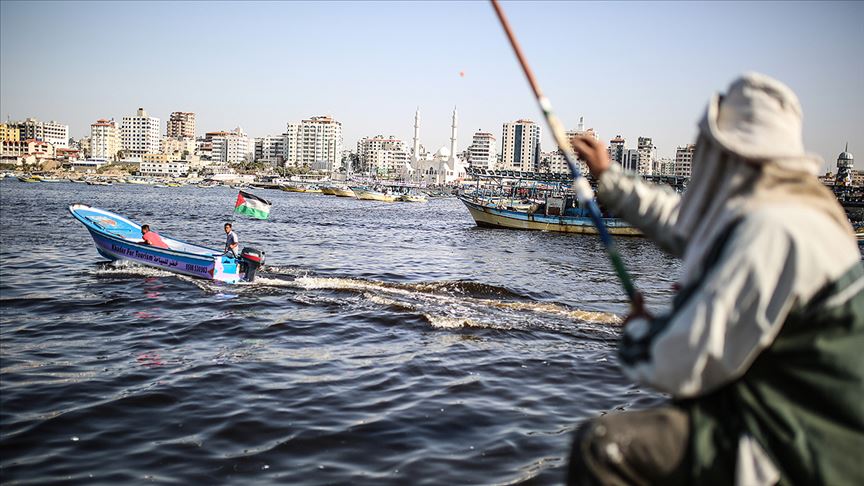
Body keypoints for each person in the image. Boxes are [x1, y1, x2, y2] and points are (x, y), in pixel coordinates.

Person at [567, 73, 863, 485]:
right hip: (783, 415)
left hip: (797, 449)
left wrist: (638, 330)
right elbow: (684, 223)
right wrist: (608, 175)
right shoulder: (790, 209)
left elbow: (680, 360)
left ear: (732, 154)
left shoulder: (773, 230)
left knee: (601, 447)